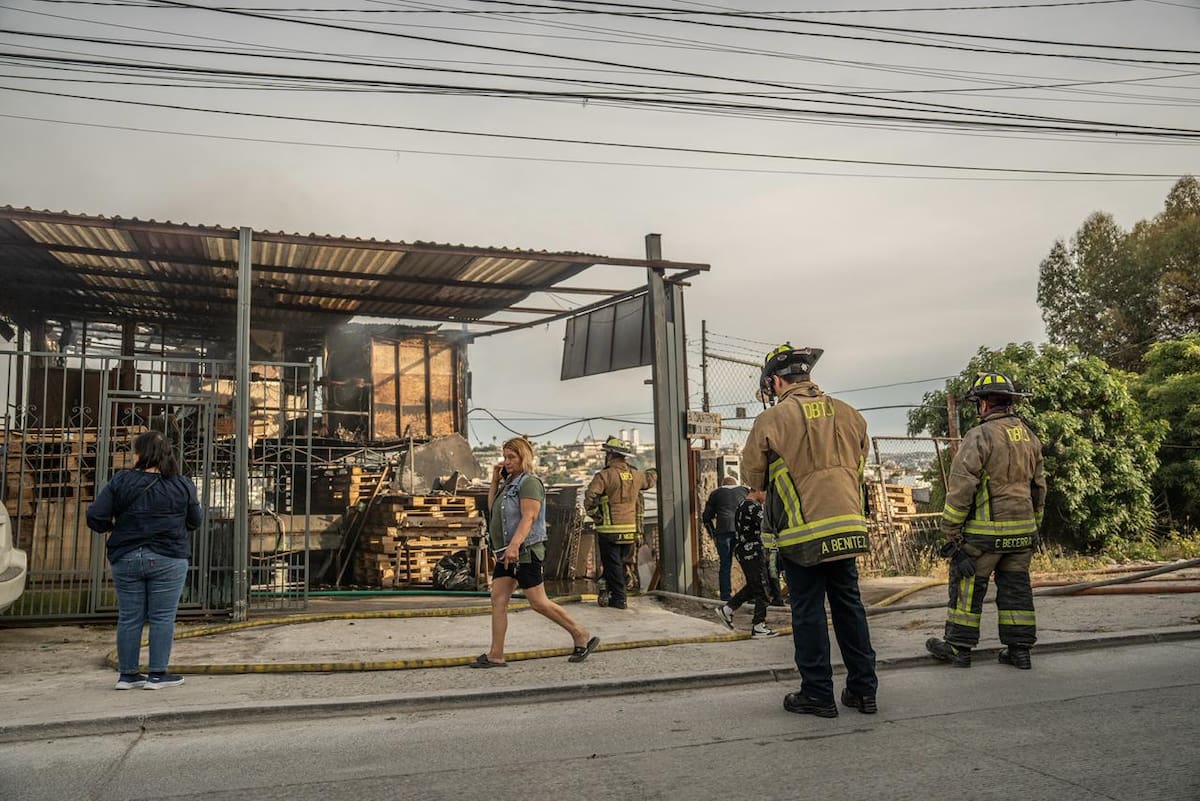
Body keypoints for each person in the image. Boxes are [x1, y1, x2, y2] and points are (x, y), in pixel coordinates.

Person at [742, 344, 879, 718]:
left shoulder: (771, 420)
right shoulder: (851, 414)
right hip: (849, 526)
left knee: (808, 612)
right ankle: (864, 691)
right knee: (849, 605)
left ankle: (818, 693)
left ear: (775, 381)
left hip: (803, 535)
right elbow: (858, 466)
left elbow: (755, 487)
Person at [926, 372, 1046, 671]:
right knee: (1016, 590)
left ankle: (958, 648)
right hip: (1023, 534)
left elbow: (962, 486)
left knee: (967, 587)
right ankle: (1019, 652)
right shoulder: (1029, 436)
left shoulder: (979, 436)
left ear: (983, 404)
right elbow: (1039, 487)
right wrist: (1034, 526)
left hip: (984, 537)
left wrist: (951, 531)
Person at [86, 430, 202, 690]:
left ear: (139, 454)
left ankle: (127, 676)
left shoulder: (121, 481)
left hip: (125, 556)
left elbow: (95, 516)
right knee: (162, 617)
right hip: (168, 557)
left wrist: (114, 525)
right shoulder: (182, 484)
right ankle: (157, 675)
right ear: (167, 455)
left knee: (129, 616)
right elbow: (195, 521)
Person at [472, 436, 599, 667]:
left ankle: (580, 633)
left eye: (512, 457)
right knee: (498, 599)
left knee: (538, 602)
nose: (507, 461)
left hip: (524, 552)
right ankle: (496, 654)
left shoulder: (529, 483)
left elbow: (529, 517)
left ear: (524, 457)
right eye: (505, 457)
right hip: (506, 554)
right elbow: (493, 509)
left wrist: (514, 546)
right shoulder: (509, 483)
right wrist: (493, 482)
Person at [584, 435, 657, 610]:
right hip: (630, 531)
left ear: (610, 455)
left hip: (609, 531)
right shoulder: (636, 476)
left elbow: (589, 497)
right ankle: (613, 592)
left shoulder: (604, 476)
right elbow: (650, 479)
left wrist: (596, 515)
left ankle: (619, 599)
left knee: (613, 566)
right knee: (622, 565)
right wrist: (656, 470)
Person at [714, 489, 778, 638]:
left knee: (754, 585)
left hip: (744, 551)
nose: (767, 497)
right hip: (753, 552)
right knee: (763, 589)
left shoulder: (742, 505)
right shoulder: (753, 507)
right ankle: (758, 626)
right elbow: (767, 525)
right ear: (759, 491)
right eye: (766, 493)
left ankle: (727, 610)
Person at [702, 476, 748, 602]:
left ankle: (725, 597)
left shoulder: (715, 494)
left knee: (725, 565)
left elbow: (706, 517)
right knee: (748, 564)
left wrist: (713, 535)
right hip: (741, 532)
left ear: (722, 484)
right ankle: (751, 596)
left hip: (723, 532)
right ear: (736, 483)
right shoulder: (744, 491)